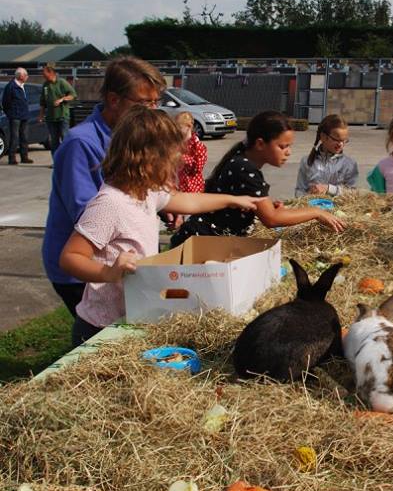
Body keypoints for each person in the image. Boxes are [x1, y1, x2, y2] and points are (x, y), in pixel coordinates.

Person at [59, 106, 257, 347]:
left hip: (133, 313)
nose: (175, 170)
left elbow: (186, 200)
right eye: (170, 162)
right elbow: (70, 257)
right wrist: (107, 272)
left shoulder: (146, 192)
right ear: (147, 159)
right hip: (101, 328)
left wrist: (231, 200)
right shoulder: (110, 203)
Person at [42, 56, 166, 317]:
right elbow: (88, 213)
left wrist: (159, 203)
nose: (152, 110)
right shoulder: (80, 143)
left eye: (156, 102)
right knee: (95, 327)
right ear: (113, 99)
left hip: (111, 264)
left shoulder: (131, 136)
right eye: (145, 102)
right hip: (81, 267)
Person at [170, 110, 344, 247]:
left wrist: (266, 206)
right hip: (202, 243)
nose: (288, 152)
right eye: (282, 146)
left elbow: (261, 207)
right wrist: (316, 212)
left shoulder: (241, 161)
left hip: (205, 241)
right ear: (260, 144)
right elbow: (272, 219)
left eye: (289, 146)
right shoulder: (245, 169)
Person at [295, 113, 358, 196]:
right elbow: (299, 190)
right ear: (323, 137)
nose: (341, 144)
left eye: (344, 141)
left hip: (338, 208)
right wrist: (305, 197)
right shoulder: (306, 161)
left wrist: (328, 188)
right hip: (312, 206)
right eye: (337, 140)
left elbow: (353, 192)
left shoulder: (350, 164)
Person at [39, 63, 77, 155]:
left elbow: (73, 95)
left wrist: (62, 99)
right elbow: (43, 102)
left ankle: (68, 159)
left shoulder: (62, 82)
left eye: (44, 74)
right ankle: (56, 161)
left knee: (65, 138)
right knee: (54, 140)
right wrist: (41, 115)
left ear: (51, 73)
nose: (43, 76)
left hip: (62, 116)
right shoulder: (45, 85)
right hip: (51, 117)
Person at [2, 67, 32, 165]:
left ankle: (24, 157)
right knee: (14, 137)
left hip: (24, 115)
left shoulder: (23, 86)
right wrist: (10, 113)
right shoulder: (11, 86)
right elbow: (5, 102)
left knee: (25, 137)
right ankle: (12, 158)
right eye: (26, 75)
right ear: (21, 76)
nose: (27, 77)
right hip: (15, 116)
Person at [176, 111, 207, 193]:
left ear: (188, 126)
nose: (176, 130)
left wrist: (182, 158)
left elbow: (198, 167)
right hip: (180, 184)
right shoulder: (179, 142)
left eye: (179, 127)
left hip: (193, 186)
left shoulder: (197, 145)